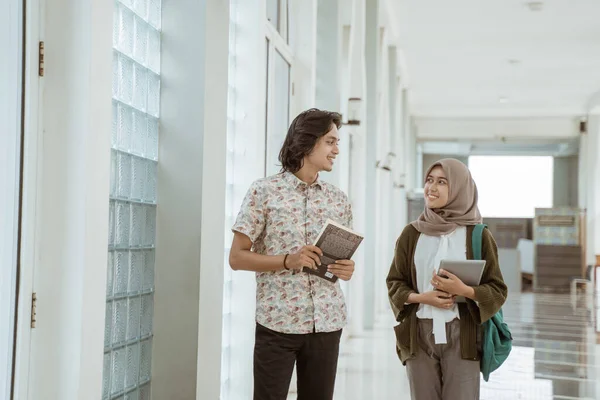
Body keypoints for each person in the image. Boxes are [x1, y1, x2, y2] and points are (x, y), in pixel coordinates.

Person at [229, 108, 355, 400]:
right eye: (330, 142)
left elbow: (341, 261)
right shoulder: (264, 192)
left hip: (327, 322)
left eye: (337, 142)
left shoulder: (338, 200)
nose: (336, 150)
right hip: (277, 324)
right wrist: (288, 260)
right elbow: (237, 258)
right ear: (307, 141)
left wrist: (346, 269)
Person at [386, 158, 507, 400]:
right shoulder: (412, 233)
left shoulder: (478, 235)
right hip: (418, 334)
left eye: (442, 182)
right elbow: (395, 282)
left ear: (460, 188)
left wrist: (465, 290)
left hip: (464, 335)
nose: (432, 187)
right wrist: (423, 298)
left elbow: (497, 289)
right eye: (429, 180)